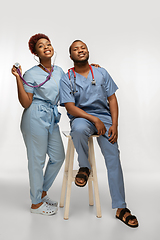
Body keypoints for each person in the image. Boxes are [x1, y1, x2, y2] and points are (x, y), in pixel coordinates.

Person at [59, 40, 139, 228]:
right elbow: (70, 107)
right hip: (82, 117)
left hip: (105, 118)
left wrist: (115, 125)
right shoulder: (67, 78)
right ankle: (84, 167)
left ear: (88, 52)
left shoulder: (101, 72)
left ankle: (121, 208)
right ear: (70, 56)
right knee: (78, 129)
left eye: (83, 47)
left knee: (113, 159)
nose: (80, 50)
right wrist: (94, 120)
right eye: (76, 49)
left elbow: (112, 99)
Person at [11, 33, 65, 216]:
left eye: (48, 44)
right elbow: (26, 103)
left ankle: (41, 192)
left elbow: (70, 89)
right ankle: (35, 204)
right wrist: (18, 78)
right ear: (36, 52)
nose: (46, 47)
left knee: (58, 157)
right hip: (34, 117)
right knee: (37, 161)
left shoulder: (59, 71)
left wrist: (91, 70)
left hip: (51, 117)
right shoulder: (31, 74)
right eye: (41, 46)